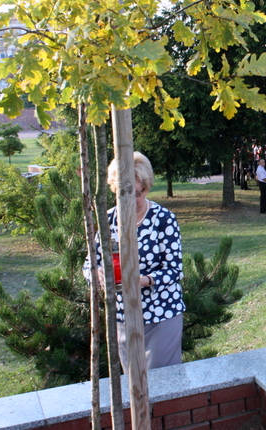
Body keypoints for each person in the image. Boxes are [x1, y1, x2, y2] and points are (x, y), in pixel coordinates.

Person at [84, 151, 185, 372]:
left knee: (162, 384)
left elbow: (175, 270)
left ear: (146, 188)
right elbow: (89, 263)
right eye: (124, 193)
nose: (131, 200)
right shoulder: (107, 221)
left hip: (161, 314)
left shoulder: (164, 219)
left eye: (137, 193)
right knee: (133, 385)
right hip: (123, 316)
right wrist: (96, 274)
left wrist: (144, 280)